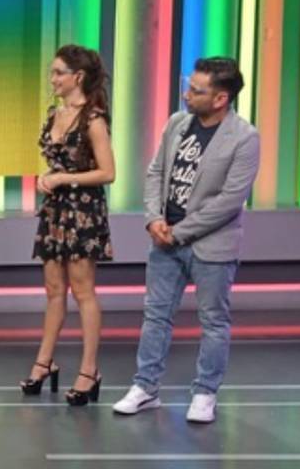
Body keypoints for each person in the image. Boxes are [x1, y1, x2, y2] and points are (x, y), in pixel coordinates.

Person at [112, 57, 259, 423]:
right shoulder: (177, 124)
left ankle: (205, 393)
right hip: (164, 240)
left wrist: (179, 232)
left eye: (196, 90)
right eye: (188, 85)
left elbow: (229, 200)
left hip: (211, 246)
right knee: (156, 316)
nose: (186, 94)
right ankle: (146, 387)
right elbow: (156, 172)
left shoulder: (245, 138)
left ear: (221, 98)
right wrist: (153, 219)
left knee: (213, 321)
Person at [20, 44, 115, 406]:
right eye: (52, 72)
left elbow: (108, 173)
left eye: (58, 72)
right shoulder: (54, 115)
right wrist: (47, 179)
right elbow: (56, 164)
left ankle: (89, 371)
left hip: (83, 211)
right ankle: (44, 362)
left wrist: (63, 179)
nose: (53, 79)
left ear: (79, 76)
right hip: (55, 211)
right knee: (53, 290)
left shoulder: (94, 119)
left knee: (83, 291)